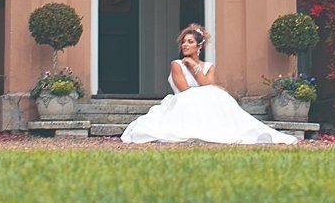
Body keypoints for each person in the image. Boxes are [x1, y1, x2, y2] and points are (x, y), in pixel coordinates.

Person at [120, 25, 299, 145]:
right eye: (183, 42)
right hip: (182, 103)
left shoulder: (207, 66)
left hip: (204, 100)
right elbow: (183, 90)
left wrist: (196, 68)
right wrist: (188, 67)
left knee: (219, 94)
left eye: (189, 42)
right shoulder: (177, 64)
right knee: (213, 93)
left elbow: (208, 86)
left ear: (199, 46)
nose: (185, 45)